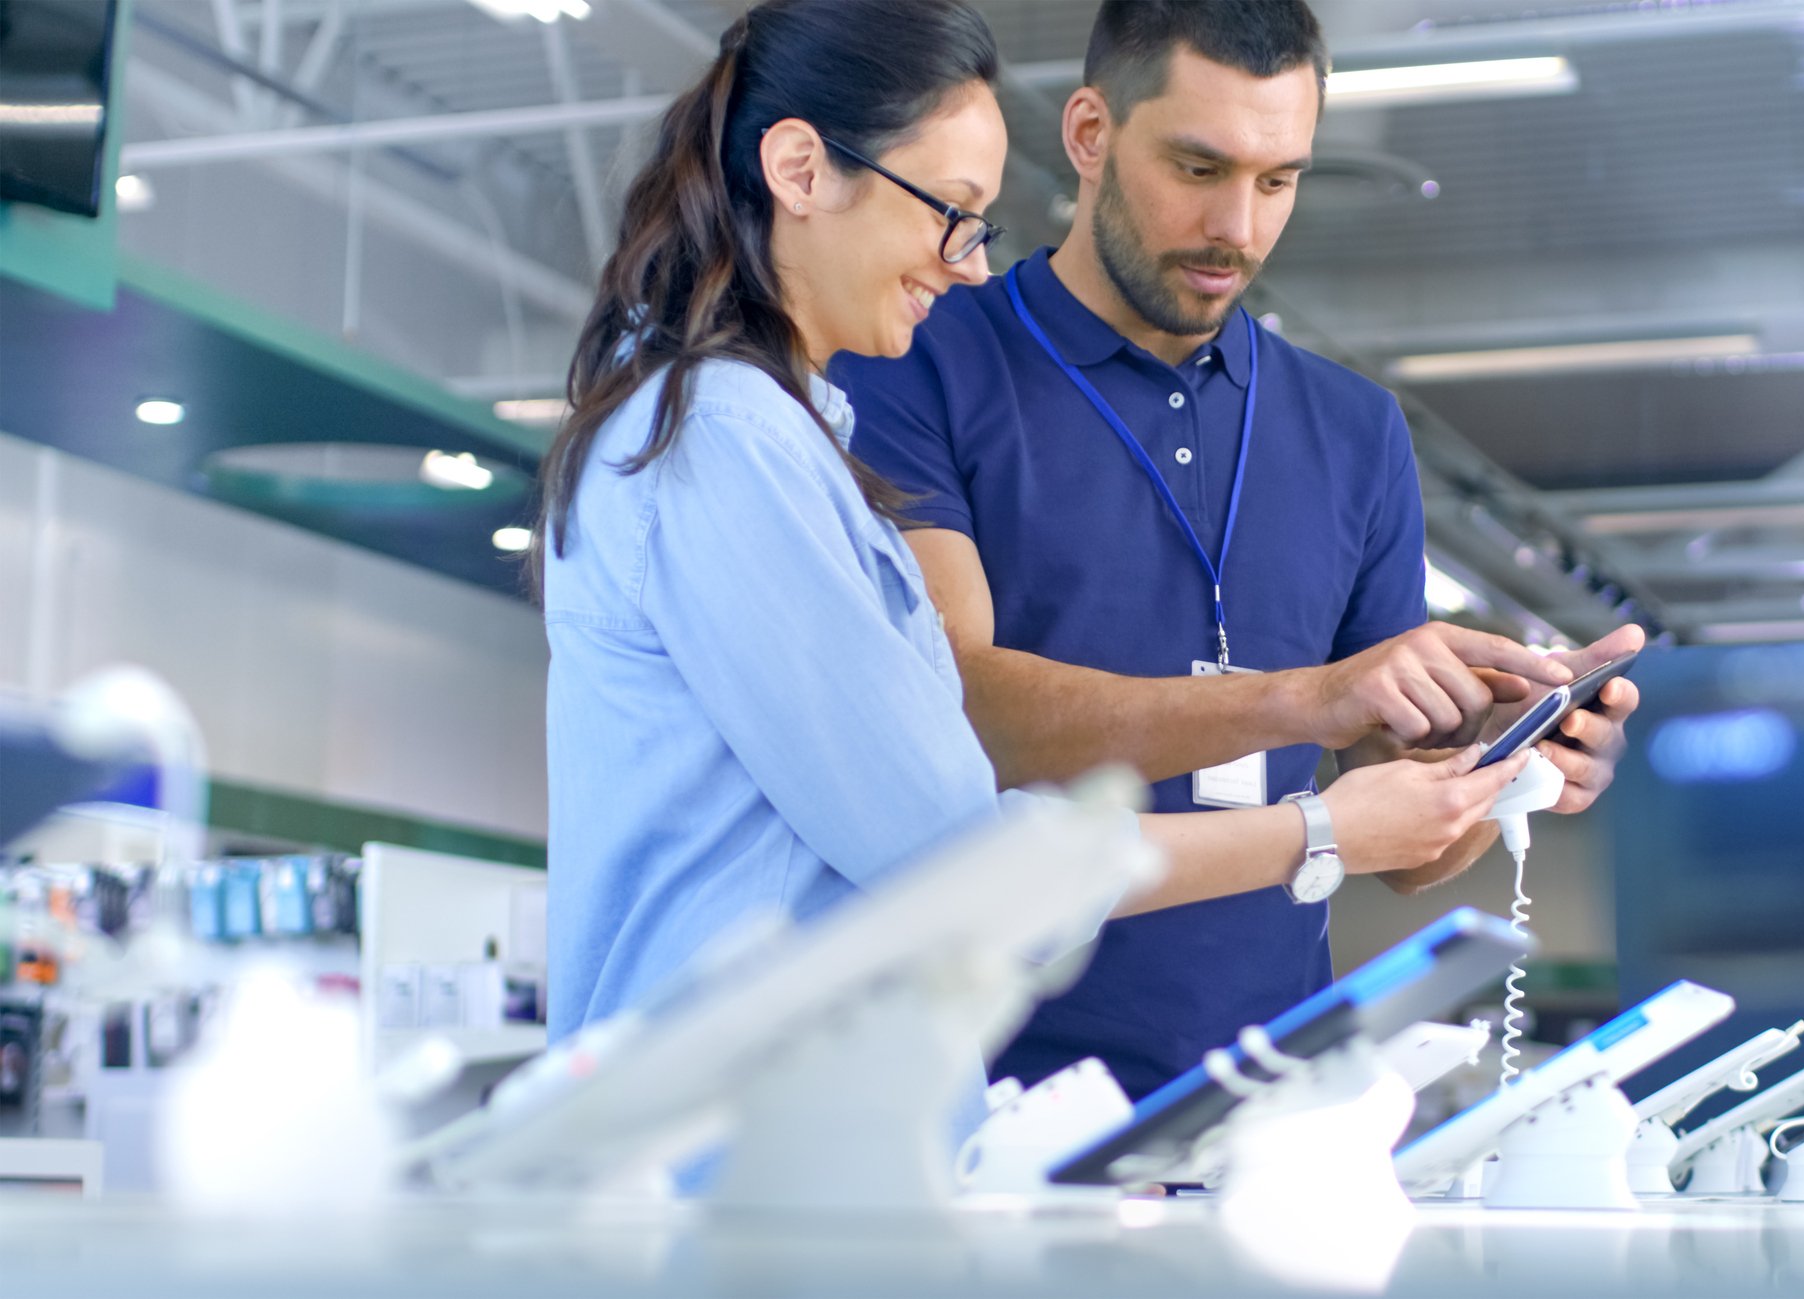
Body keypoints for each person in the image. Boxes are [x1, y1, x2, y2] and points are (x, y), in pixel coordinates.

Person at [533, 0, 1533, 1052]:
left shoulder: (782, 440)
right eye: (948, 210)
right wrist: (1313, 824)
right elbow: (954, 849)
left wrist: (1496, 758)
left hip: (833, 1119)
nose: (967, 263)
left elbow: (935, 815)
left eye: (1277, 180)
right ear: (799, 172)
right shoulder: (728, 444)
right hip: (752, 1134)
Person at [835, 0, 1644, 1099]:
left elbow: (1393, 843)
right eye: (1198, 166)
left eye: (1278, 180)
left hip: (1258, 1107)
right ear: (1087, 134)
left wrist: (1505, 772)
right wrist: (1300, 700)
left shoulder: (1354, 432)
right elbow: (955, 708)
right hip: (979, 1094)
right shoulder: (918, 356)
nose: (1238, 227)